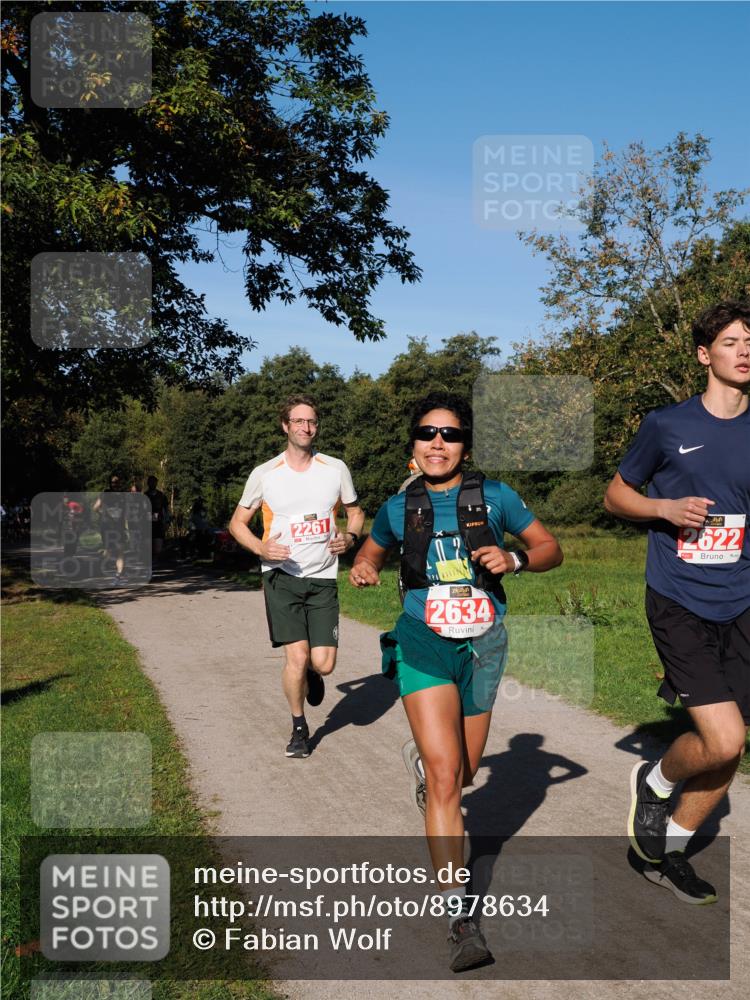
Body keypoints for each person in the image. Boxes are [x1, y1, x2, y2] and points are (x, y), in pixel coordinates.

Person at [350, 391, 563, 972]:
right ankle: (458, 917)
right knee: (448, 779)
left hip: (483, 647)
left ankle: (429, 768)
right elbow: (369, 552)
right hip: (422, 642)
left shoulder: (496, 498)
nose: (436, 444)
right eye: (426, 433)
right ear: (413, 444)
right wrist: (366, 565)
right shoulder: (399, 508)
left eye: (449, 434)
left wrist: (516, 561)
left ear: (465, 445)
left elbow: (550, 548)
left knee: (464, 774)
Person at [604, 300, 750, 905]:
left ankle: (668, 850)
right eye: (733, 341)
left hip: (742, 600)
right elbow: (616, 497)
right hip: (679, 596)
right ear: (703, 354)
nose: (746, 351)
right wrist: (664, 509)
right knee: (724, 742)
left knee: (731, 745)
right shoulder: (667, 425)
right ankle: (656, 777)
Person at [229, 394, 364, 759]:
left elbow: (355, 512)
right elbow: (237, 524)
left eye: (312, 422)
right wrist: (260, 549)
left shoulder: (335, 469)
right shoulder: (265, 474)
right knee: (296, 657)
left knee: (323, 663)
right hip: (281, 576)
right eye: (299, 421)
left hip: (322, 577)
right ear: (285, 426)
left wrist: (350, 537)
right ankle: (299, 728)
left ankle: (312, 676)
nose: (306, 428)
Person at [93, 474, 129, 585]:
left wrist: (127, 526)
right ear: (110, 483)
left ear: (120, 483)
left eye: (117, 482)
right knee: (109, 552)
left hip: (119, 527)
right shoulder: (105, 493)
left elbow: (126, 511)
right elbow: (95, 507)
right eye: (113, 482)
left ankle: (118, 576)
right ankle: (100, 561)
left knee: (120, 551)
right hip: (107, 526)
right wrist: (103, 514)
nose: (115, 484)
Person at [144, 475, 170, 560]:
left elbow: (166, 510)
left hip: (158, 525)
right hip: (147, 526)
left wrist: (167, 522)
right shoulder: (144, 496)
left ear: (156, 483)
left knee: (157, 549)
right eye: (150, 482)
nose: (152, 484)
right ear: (148, 483)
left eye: (154, 482)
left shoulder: (161, 496)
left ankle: (154, 561)